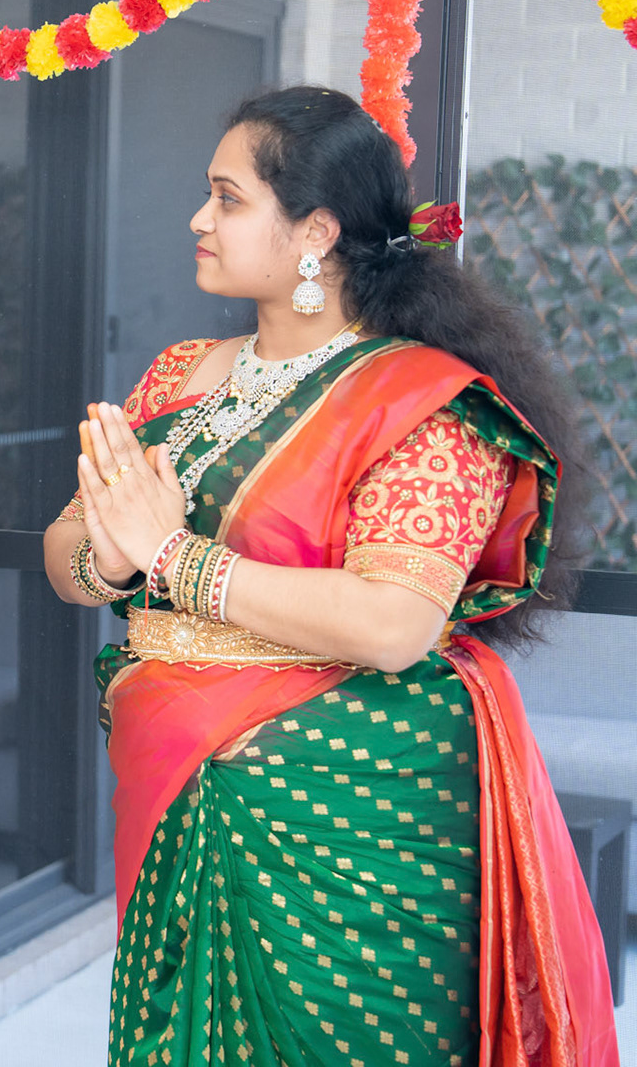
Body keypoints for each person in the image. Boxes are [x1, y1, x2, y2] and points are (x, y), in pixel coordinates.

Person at [44, 85, 617, 1065]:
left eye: (228, 198)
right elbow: (66, 550)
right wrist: (109, 553)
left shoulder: (424, 402)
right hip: (174, 777)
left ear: (315, 231)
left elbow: (395, 623)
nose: (199, 219)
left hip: (350, 819)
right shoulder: (179, 374)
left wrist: (171, 556)